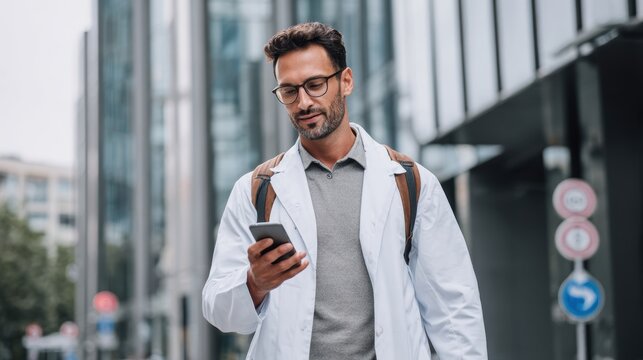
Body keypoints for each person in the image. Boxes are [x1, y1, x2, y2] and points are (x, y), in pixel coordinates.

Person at [202, 22, 487, 359]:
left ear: (346, 81)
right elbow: (219, 310)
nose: (303, 102)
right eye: (289, 91)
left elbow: (453, 308)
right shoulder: (256, 189)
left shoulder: (410, 182)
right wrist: (255, 283)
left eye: (315, 85)